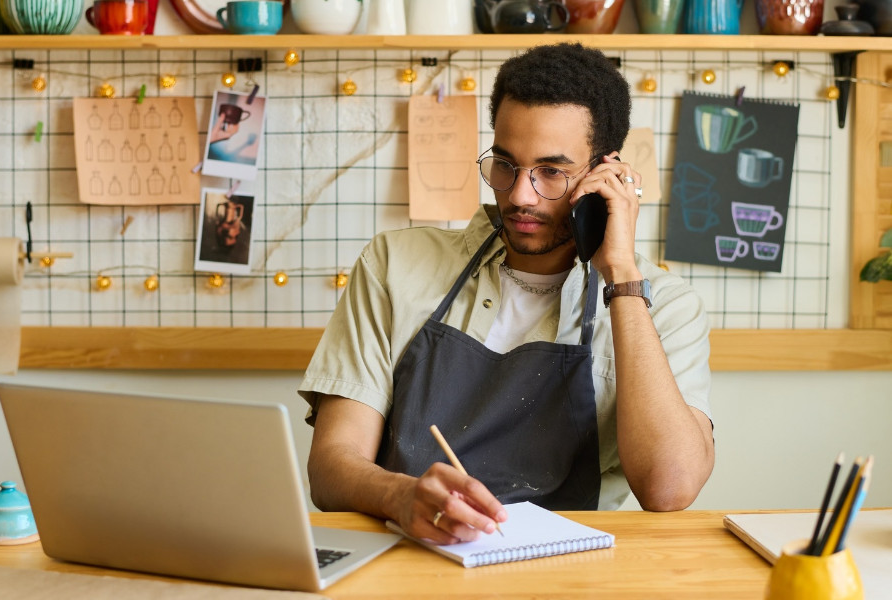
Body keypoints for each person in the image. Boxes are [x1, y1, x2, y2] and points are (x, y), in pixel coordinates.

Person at [298, 43, 715, 545]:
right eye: (506, 164)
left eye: (551, 172)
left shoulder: (665, 305)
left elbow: (669, 489)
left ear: (607, 175)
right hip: (408, 560)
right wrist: (399, 496)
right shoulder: (394, 265)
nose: (520, 195)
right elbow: (330, 468)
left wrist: (621, 277)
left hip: (571, 575)